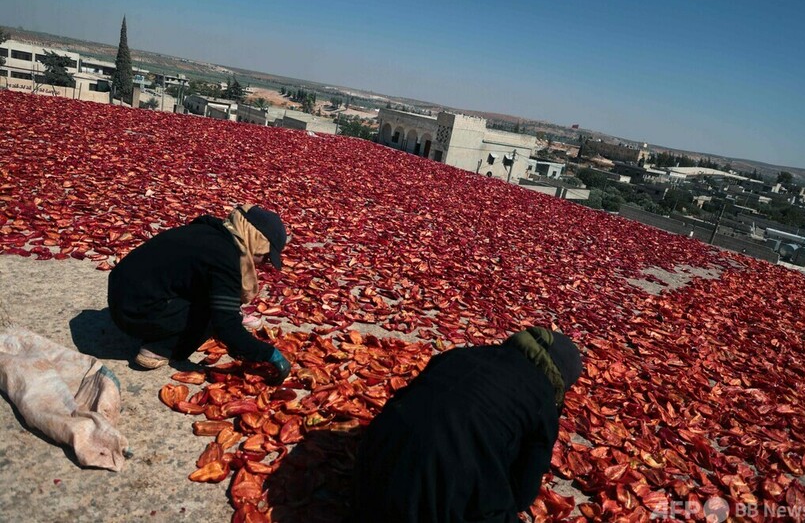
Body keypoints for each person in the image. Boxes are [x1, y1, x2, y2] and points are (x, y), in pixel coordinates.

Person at [349, 326, 582, 523]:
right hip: (433, 503)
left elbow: (412, 401)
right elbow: (522, 495)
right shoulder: (542, 399)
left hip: (369, 473)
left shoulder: (459, 355)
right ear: (560, 379)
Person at [107, 204, 291, 382]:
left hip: (121, 295)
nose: (264, 263)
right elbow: (226, 325)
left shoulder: (211, 231)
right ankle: (161, 348)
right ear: (256, 240)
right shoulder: (225, 258)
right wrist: (268, 354)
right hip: (133, 313)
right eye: (266, 256)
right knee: (213, 313)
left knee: (214, 295)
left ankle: (163, 326)